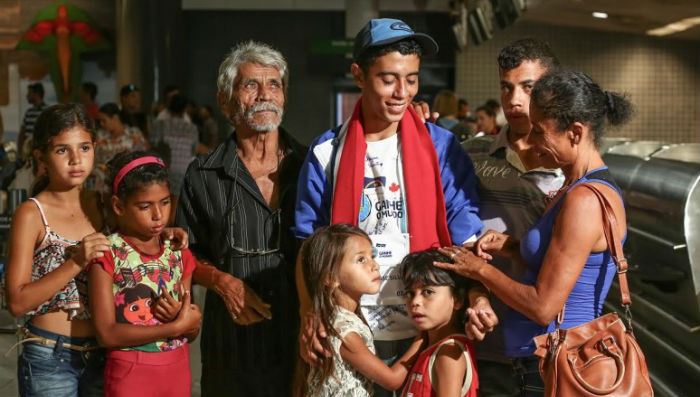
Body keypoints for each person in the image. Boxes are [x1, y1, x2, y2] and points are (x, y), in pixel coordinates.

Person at [294, 18, 483, 397]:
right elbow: (308, 244)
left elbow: (467, 234)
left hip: (424, 326)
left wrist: (478, 297)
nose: (402, 92)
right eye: (388, 79)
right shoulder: (326, 153)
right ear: (358, 75)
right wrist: (308, 311)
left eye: (411, 79)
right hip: (356, 330)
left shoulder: (440, 146)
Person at [437, 69, 632, 396]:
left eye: (541, 132)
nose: (535, 143)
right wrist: (513, 247)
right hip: (540, 360)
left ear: (575, 132)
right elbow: (564, 259)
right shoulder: (573, 187)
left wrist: (479, 270)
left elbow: (544, 306)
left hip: (560, 364)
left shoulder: (584, 200)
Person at [176, 40, 307, 396]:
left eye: (274, 84)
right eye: (251, 85)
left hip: (300, 338)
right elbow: (183, 252)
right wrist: (220, 281)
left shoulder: (311, 166)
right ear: (225, 101)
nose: (265, 94)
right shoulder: (203, 174)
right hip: (230, 346)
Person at [461, 38, 564, 397]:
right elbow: (454, 235)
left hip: (554, 343)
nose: (515, 100)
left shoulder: (570, 160)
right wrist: (475, 295)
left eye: (528, 87)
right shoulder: (471, 155)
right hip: (489, 335)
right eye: (507, 87)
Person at [6, 104, 109, 397]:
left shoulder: (104, 205)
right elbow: (16, 302)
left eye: (85, 147)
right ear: (42, 157)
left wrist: (168, 234)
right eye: (63, 150)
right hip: (49, 355)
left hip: (103, 352)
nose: (77, 160)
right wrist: (76, 261)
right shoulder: (31, 213)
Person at [89, 151, 202, 397]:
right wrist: (173, 328)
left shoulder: (178, 252)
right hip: (130, 373)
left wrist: (186, 322)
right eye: (144, 206)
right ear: (118, 205)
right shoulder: (107, 253)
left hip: (178, 370)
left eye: (164, 202)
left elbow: (190, 327)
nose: (158, 215)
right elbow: (106, 333)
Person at [299, 224, 422, 396]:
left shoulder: (342, 319)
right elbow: (392, 380)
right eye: (361, 260)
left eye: (372, 256)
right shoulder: (343, 331)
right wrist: (423, 337)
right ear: (330, 277)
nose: (375, 265)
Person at [400, 249, 478, 397]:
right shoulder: (432, 347)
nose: (415, 302)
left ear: (457, 299)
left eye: (428, 292)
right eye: (410, 293)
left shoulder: (449, 354)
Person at [151, 94, 200, 200]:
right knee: (177, 204)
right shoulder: (192, 128)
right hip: (184, 170)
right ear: (185, 109)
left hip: (163, 169)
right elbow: (193, 150)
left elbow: (153, 144)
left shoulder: (160, 124)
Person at [94, 103, 147, 192]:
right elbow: (94, 159)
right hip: (103, 183)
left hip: (128, 182)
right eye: (100, 122)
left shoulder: (133, 134)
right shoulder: (100, 136)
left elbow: (143, 157)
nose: (101, 124)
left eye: (104, 120)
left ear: (115, 118)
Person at [18, 82, 47, 160]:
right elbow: (22, 132)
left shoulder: (46, 111)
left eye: (29, 93)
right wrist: (20, 152)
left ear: (36, 94)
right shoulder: (29, 112)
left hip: (40, 151)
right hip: (28, 151)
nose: (27, 96)